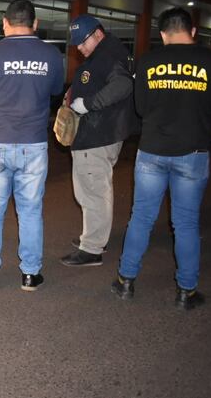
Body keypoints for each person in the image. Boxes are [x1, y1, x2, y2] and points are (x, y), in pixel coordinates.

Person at [112, 7, 211, 310]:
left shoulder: (149, 61)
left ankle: (126, 281)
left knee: (141, 217)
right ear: (193, 31)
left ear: (163, 34)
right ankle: (186, 292)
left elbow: (141, 107)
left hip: (152, 151)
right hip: (192, 152)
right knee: (185, 223)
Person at [0, 0, 64, 292]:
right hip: (33, 143)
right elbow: (57, 91)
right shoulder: (51, 54)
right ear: (35, 24)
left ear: (5, 24)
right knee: (31, 210)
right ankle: (30, 274)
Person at [60, 14, 137, 267]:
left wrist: (89, 104)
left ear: (98, 34)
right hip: (102, 133)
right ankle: (93, 237)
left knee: (93, 191)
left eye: (83, 42)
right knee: (95, 189)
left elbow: (123, 85)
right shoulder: (106, 53)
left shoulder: (108, 55)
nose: (80, 49)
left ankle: (91, 248)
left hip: (96, 135)